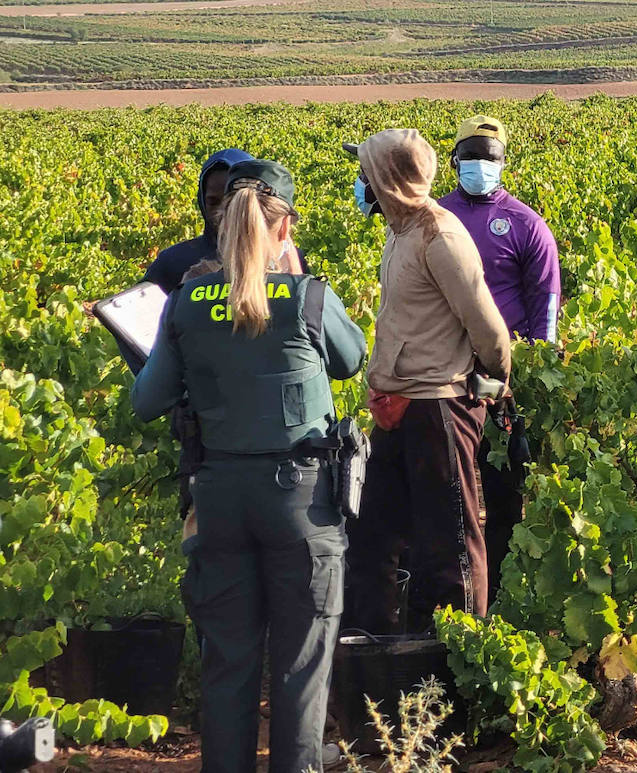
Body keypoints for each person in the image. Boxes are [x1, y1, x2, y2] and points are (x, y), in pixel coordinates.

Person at [131, 159, 368, 773]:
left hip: (219, 499)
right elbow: (351, 359)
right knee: (299, 665)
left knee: (228, 664)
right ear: (284, 228)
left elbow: (147, 402)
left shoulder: (185, 301)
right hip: (302, 501)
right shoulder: (309, 297)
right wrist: (291, 279)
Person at [342, 129, 512, 631]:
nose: (359, 181)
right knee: (376, 536)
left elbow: (489, 329)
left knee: (450, 542)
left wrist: (494, 384)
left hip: (438, 406)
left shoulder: (441, 235)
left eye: (365, 172)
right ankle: (379, 648)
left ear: (387, 180)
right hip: (400, 405)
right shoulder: (401, 231)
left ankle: (457, 654)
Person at [438, 115, 560, 605]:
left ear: (503, 164)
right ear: (454, 162)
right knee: (451, 476)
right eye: (471, 157)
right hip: (444, 368)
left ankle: (503, 575)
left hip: (502, 374)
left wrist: (533, 365)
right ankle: (455, 581)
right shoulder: (437, 217)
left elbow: (545, 297)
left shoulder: (526, 223)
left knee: (504, 475)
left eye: (489, 159)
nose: (480, 166)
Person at [142, 149, 309, 293]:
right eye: (213, 202)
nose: (222, 213)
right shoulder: (173, 262)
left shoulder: (291, 259)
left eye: (233, 203)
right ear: (202, 201)